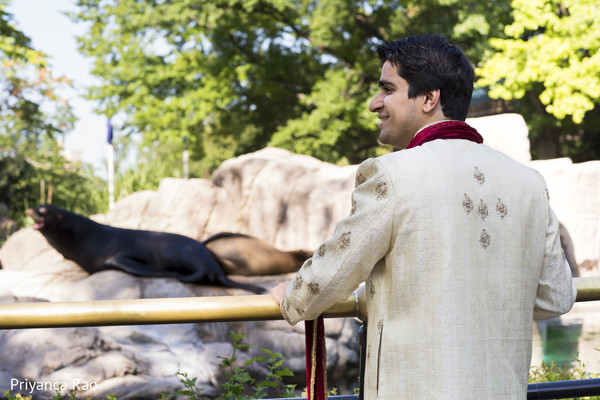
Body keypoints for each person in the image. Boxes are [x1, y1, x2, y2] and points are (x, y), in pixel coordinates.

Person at [271, 33, 576, 399]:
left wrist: (290, 295)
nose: (374, 103)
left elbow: (324, 281)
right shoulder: (528, 181)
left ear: (430, 98)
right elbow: (555, 298)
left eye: (387, 89)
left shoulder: (391, 175)